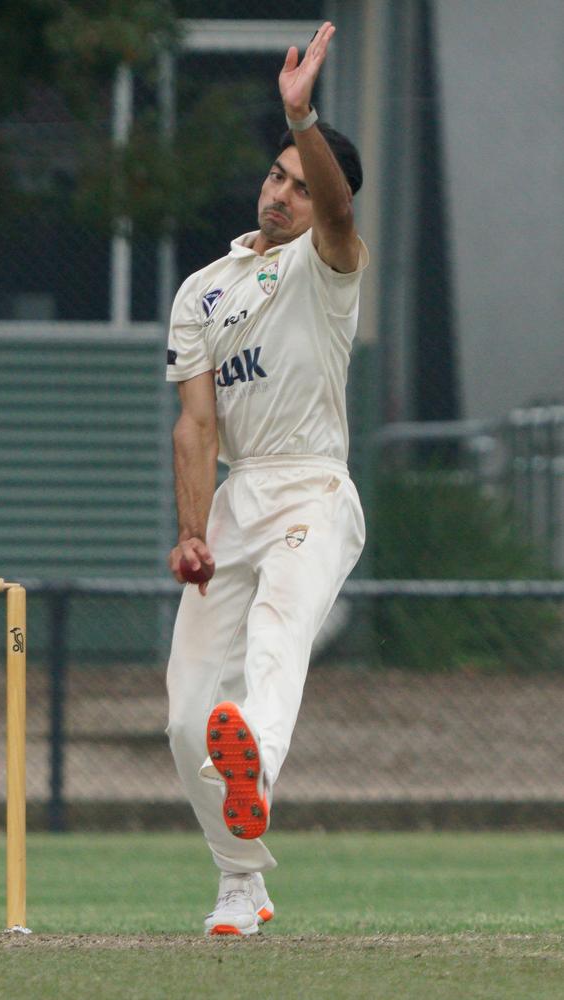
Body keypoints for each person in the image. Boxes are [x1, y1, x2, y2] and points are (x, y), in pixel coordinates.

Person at [165, 22, 368, 936]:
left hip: (314, 488)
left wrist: (304, 117)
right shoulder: (203, 290)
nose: (282, 191)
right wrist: (194, 527)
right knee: (183, 718)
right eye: (277, 173)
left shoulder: (327, 262)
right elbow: (198, 421)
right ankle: (241, 885)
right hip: (238, 495)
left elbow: (335, 205)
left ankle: (256, 756)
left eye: (300, 180)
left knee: (280, 632)